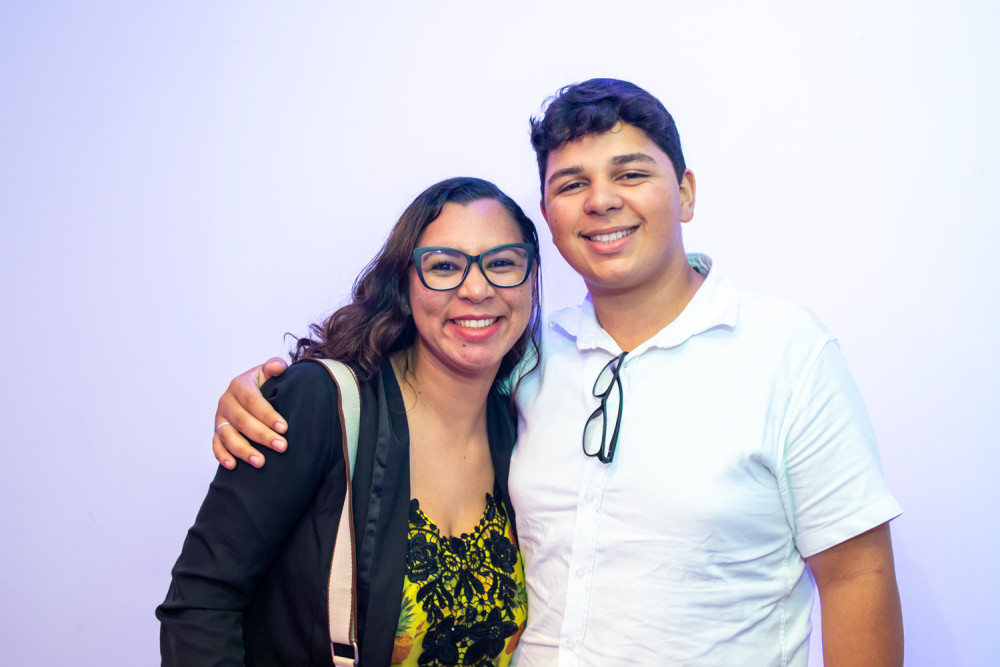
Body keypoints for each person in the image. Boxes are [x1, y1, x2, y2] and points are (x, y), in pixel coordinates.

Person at [213, 80, 903, 666]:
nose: (601, 200)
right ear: (548, 215)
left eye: (631, 174)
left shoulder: (785, 352)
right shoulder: (524, 358)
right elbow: (403, 387)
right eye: (573, 184)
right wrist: (268, 394)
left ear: (686, 193)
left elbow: (857, 575)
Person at [157, 176, 542, 666]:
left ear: (531, 276)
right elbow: (201, 602)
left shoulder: (526, 423)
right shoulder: (318, 403)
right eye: (444, 266)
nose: (476, 289)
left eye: (502, 263)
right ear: (404, 283)